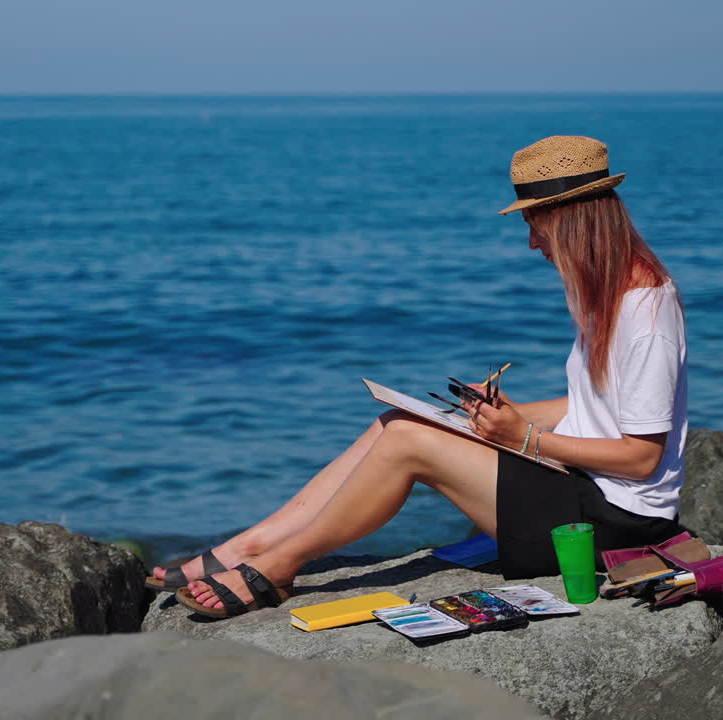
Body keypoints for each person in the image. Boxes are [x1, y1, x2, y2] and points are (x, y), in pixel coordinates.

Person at [149, 135, 688, 618]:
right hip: (585, 489)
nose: (532, 243)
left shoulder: (643, 315)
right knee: (396, 421)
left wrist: (524, 438)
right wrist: (508, 416)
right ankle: (248, 546)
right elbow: (594, 405)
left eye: (534, 225)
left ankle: (277, 566)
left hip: (613, 523)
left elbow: (641, 457)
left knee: (407, 441)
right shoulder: (610, 293)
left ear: (569, 220)